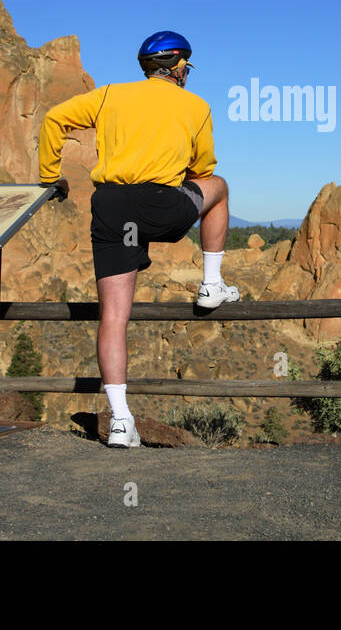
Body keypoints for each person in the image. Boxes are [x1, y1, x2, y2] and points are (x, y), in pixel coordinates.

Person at [37, 30, 239, 448]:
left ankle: (120, 422)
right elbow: (203, 166)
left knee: (114, 317)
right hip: (162, 205)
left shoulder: (110, 96)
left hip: (110, 206)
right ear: (180, 67)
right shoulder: (196, 105)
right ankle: (211, 284)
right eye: (188, 66)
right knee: (218, 186)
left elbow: (55, 119)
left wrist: (49, 177)